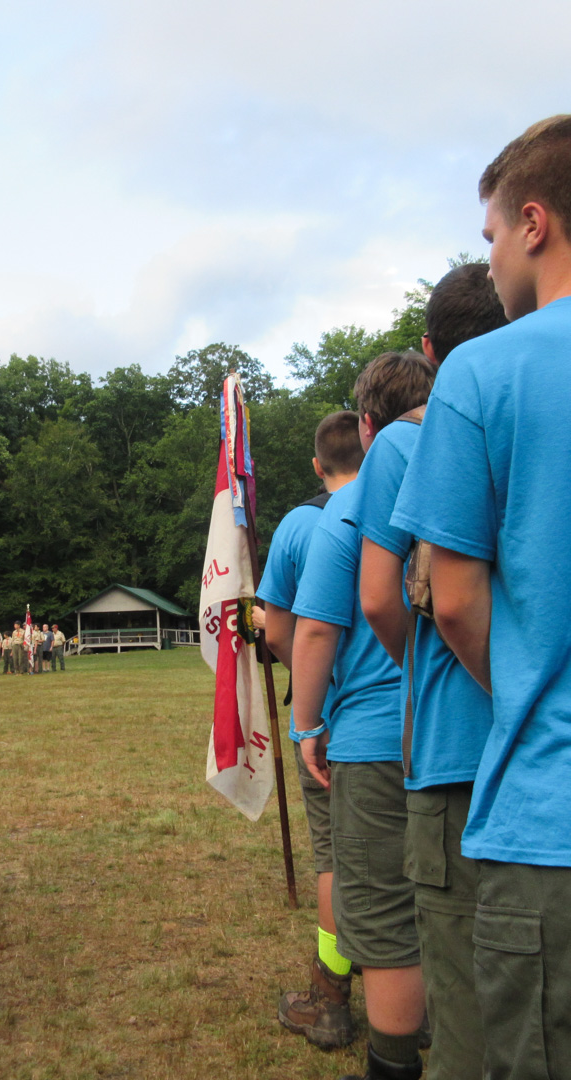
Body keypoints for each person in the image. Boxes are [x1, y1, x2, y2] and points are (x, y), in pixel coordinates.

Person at [392, 115, 571, 1080]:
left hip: (550, 817)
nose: (491, 260)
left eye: (491, 235)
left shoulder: (482, 370)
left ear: (534, 223)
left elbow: (449, 598)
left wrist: (529, 688)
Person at [354, 265, 507, 1080]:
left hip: (454, 743)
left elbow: (386, 600)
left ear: (429, 348)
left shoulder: (410, 442)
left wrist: (421, 669)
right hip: (541, 745)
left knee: (465, 995)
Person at [291, 353, 435, 1080]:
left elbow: (315, 631)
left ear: (367, 424)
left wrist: (305, 726)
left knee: (382, 921)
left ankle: (393, 1060)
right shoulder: (460, 473)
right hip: (452, 729)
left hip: (373, 738)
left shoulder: (344, 510)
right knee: (444, 896)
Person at [258, 410, 364, 1050]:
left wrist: (308, 694)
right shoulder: (402, 498)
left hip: (329, 718)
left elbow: (275, 631)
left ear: (317, 465)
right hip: (407, 714)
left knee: (334, 858)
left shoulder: (301, 523)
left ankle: (331, 997)